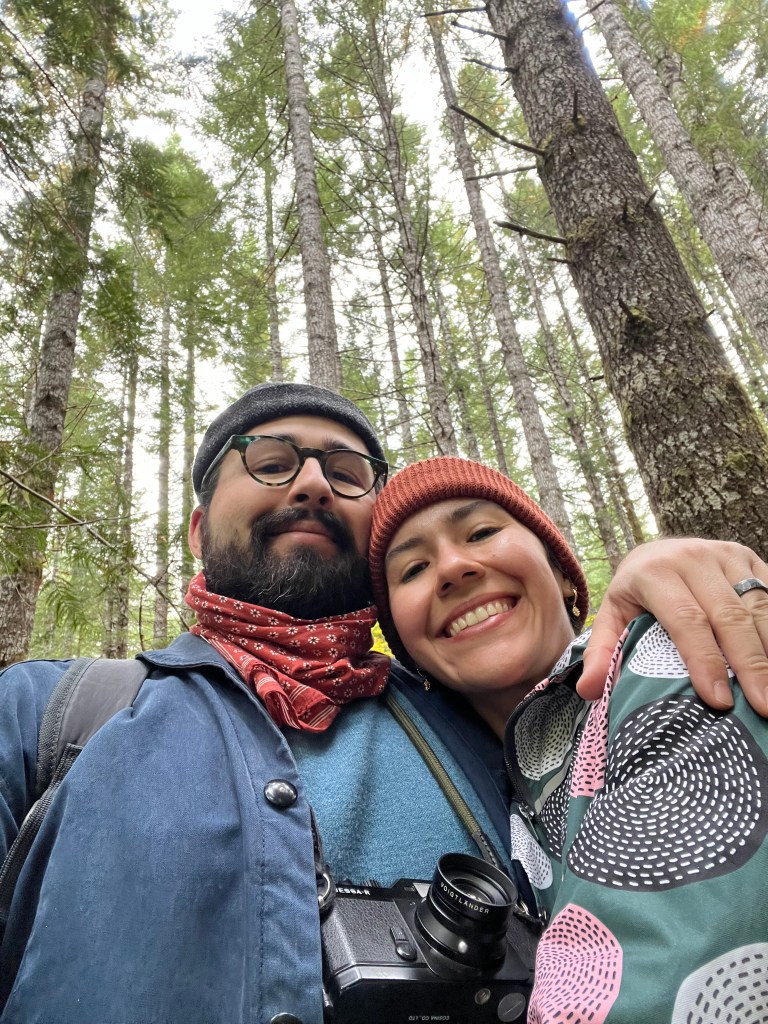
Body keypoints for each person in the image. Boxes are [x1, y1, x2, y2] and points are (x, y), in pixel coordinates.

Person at [0, 384, 767, 1024]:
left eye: (346, 472)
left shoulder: (478, 722)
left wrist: (674, 583)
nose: (310, 484)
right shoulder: (50, 712)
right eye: (270, 462)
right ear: (199, 530)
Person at [368, 455, 768, 1023]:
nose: (453, 567)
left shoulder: (664, 654)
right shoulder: (492, 787)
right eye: (412, 570)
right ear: (409, 652)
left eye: (481, 532)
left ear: (561, 572)